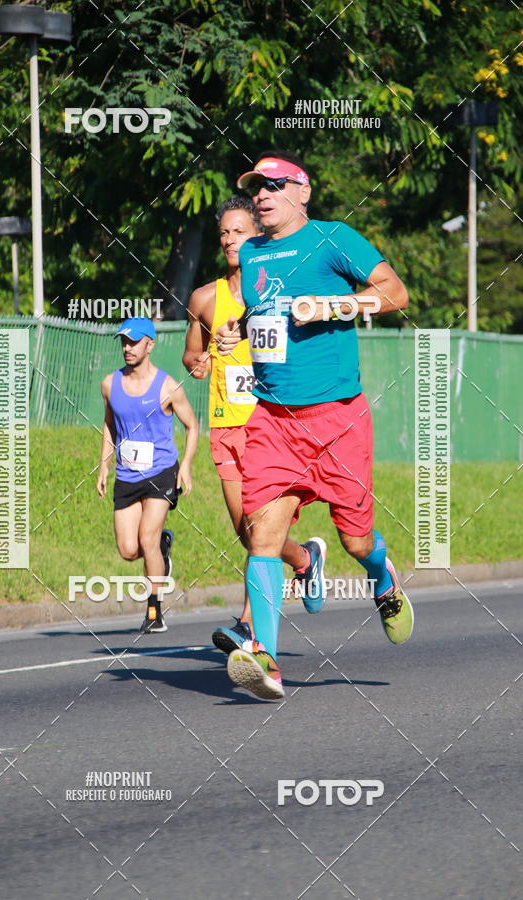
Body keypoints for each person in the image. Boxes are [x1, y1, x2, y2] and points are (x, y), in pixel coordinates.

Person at [216, 150, 414, 701]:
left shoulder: (333, 238)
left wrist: (331, 306)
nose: (262, 194)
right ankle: (266, 660)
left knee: (354, 538)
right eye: (256, 187)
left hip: (337, 420)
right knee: (263, 535)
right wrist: (235, 330)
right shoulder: (251, 254)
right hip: (273, 420)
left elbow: (396, 293)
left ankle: (382, 577)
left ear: (303, 191)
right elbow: (261, 313)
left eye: (274, 185)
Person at [183, 195, 328, 654]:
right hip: (226, 427)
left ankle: (248, 627)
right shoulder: (205, 298)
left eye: (239, 231)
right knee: (246, 532)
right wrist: (198, 363)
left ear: (258, 236)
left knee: (260, 533)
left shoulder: (280, 289)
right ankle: (305, 559)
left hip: (273, 425)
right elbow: (190, 353)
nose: (230, 240)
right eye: (224, 232)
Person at [97, 316, 199, 633]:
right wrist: (103, 463)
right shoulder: (110, 384)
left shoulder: (167, 386)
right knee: (129, 550)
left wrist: (186, 465)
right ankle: (162, 550)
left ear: (149, 345)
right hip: (127, 474)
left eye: (134, 342)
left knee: (147, 538)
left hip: (161, 471)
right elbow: (109, 425)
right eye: (124, 342)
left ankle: (153, 611)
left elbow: (193, 426)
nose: (127, 348)